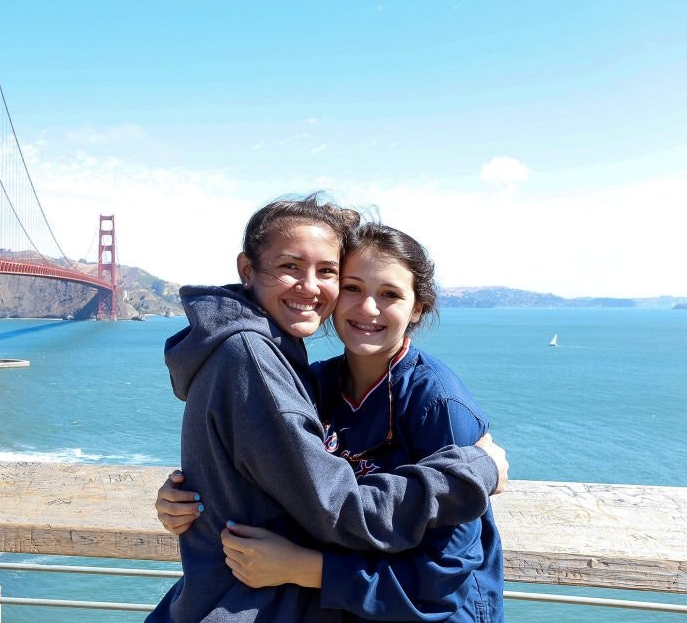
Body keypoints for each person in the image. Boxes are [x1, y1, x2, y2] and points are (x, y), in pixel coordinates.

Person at [148, 194, 508, 622]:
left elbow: (443, 576)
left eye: (390, 294)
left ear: (418, 308)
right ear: (248, 270)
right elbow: (296, 485)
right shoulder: (312, 382)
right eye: (353, 287)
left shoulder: (439, 404)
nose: (367, 308)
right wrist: (196, 497)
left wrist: (309, 569)